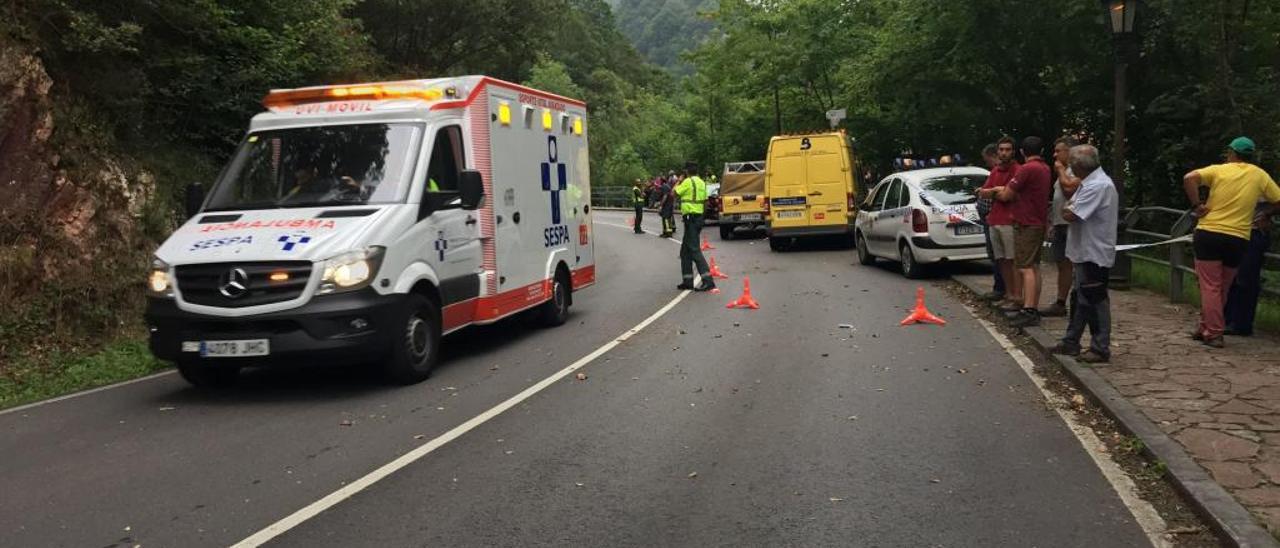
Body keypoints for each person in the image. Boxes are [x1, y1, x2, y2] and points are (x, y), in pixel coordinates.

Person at [1182, 137, 1280, 348]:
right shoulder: (1260, 175)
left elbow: (1189, 178)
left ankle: (1214, 333)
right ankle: (1205, 327)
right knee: (1223, 286)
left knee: (1209, 286)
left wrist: (1197, 205)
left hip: (1210, 233)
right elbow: (1278, 199)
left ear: (1231, 153)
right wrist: (1267, 214)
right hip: (1239, 237)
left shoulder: (1219, 170)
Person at [1049, 145, 1118, 363]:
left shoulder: (1098, 185)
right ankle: (1071, 340)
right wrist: (1068, 208)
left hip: (1093, 252)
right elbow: (1069, 208)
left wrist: (1067, 208)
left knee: (1095, 299)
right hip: (1083, 250)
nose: (1070, 168)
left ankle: (1100, 347)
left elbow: (1071, 213)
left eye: (1071, 164)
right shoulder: (1089, 183)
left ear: (1079, 166)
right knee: (1080, 298)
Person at [988, 136, 1052, 328]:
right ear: (1041, 152)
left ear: (1022, 152)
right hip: (1039, 221)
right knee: (1034, 266)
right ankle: (1032, 305)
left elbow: (1007, 194)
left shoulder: (1027, 169)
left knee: (1024, 267)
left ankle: (1029, 309)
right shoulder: (1046, 168)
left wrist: (994, 191)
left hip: (1026, 222)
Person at [977, 137, 1021, 309]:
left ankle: (1016, 296)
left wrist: (994, 191)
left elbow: (1008, 195)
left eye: (1007, 149)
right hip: (994, 219)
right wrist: (996, 191)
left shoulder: (1018, 170)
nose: (1004, 153)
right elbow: (983, 193)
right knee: (1001, 260)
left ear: (1013, 152)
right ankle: (1008, 294)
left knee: (1012, 260)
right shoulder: (995, 171)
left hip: (1010, 220)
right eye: (1001, 150)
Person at [1043, 137, 1080, 317]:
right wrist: (1052, 221)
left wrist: (1059, 170)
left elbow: (1068, 191)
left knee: (1073, 264)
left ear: (1070, 152)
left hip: (1072, 225)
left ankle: (1077, 300)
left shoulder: (1077, 171)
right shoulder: (1064, 171)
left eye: (1059, 151)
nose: (1055, 155)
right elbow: (1058, 198)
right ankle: (1060, 301)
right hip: (1060, 224)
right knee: (1062, 264)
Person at [1224, 203, 1274, 336]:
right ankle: (1227, 319)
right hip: (1234, 229)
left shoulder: (1262, 183)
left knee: (1245, 279)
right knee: (1231, 277)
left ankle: (1241, 323)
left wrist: (1267, 214)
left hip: (1253, 232)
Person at [674, 162, 715, 291]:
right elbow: (705, 202)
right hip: (698, 218)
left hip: (690, 218)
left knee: (694, 249)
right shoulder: (702, 182)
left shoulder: (687, 182)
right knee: (685, 251)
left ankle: (708, 281)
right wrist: (702, 218)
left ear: (686, 171)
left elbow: (673, 194)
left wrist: (678, 181)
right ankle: (687, 281)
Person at [976, 143, 1006, 302]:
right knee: (995, 255)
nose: (987, 163)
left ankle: (1001, 288)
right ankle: (1000, 287)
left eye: (987, 160)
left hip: (994, 218)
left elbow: (994, 194)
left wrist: (984, 194)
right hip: (991, 218)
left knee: (999, 256)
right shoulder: (995, 172)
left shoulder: (1001, 172)